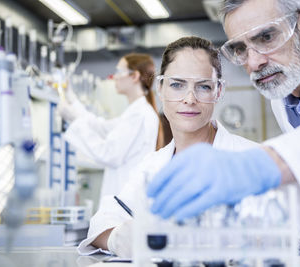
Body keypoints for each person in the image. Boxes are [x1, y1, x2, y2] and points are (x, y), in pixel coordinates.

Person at [147, 0, 300, 248]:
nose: (254, 62)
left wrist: (256, 166)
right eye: (240, 49)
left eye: (267, 37)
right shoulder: (283, 95)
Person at [76, 36, 258, 257]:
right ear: (161, 88)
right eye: (177, 85)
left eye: (203, 86)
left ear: (218, 92)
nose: (189, 99)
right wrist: (119, 238)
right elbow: (102, 222)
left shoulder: (253, 157)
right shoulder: (152, 165)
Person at [58, 53, 167, 199]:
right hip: (125, 202)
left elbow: (109, 154)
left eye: (119, 72)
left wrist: (75, 121)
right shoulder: (135, 113)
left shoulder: (139, 115)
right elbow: (101, 127)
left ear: (134, 76)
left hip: (125, 204)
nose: (114, 77)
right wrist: (70, 97)